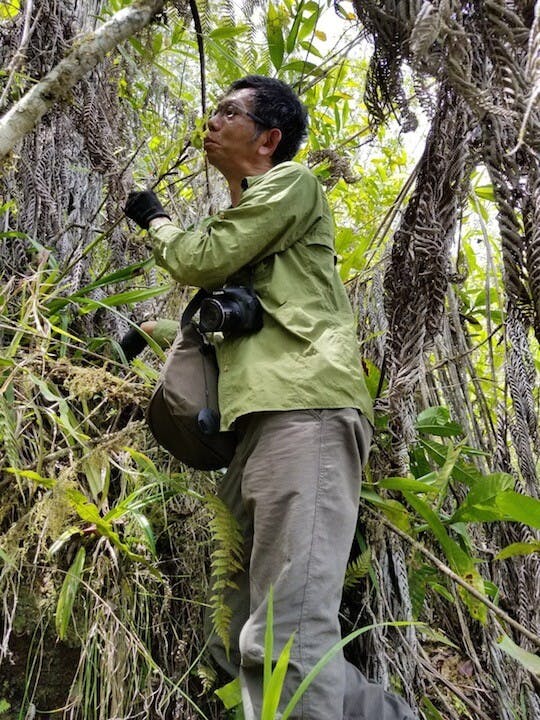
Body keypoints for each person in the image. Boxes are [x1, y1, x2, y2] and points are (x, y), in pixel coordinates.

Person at [124, 75, 416, 720]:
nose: (212, 120)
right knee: (238, 632)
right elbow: (238, 310)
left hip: (303, 413)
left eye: (229, 112)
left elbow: (201, 258)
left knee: (286, 631)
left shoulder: (292, 182)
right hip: (257, 429)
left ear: (270, 138)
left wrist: (158, 221)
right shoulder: (255, 223)